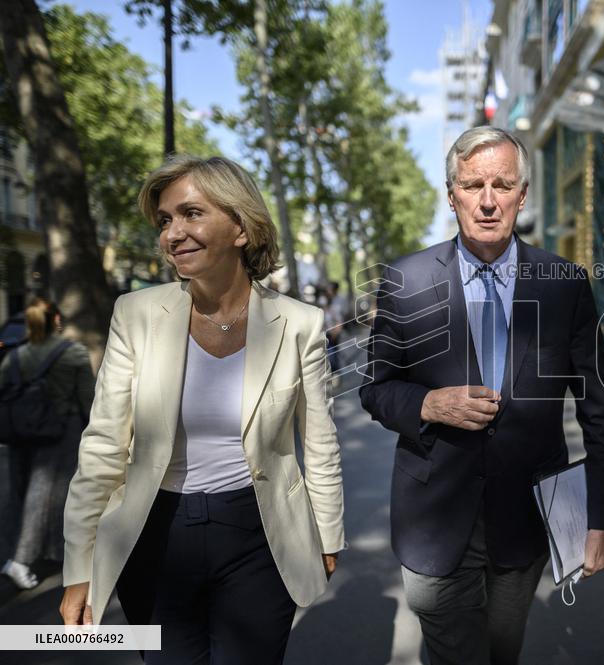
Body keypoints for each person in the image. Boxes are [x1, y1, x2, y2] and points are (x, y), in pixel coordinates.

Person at [59, 156, 346, 664]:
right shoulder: (136, 314)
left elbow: (319, 442)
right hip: (154, 534)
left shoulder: (299, 324)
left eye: (191, 213)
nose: (173, 234)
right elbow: (103, 445)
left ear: (241, 226)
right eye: (166, 221)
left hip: (261, 535)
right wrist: (77, 564)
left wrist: (327, 533)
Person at [359, 126, 604, 665]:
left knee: (503, 652)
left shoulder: (564, 281)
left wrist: (603, 516)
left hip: (526, 517)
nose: (487, 201)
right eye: (472, 184)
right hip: (434, 518)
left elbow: (599, 409)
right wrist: (429, 405)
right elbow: (375, 389)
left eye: (502, 185)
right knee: (457, 652)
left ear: (522, 196)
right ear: (451, 193)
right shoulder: (404, 282)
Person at [1, 297, 94, 590]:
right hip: (59, 431)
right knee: (46, 496)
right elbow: (87, 398)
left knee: (19, 492)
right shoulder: (73, 353)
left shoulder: (13, 356)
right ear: (55, 320)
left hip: (17, 430)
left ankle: (44, 551)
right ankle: (21, 560)